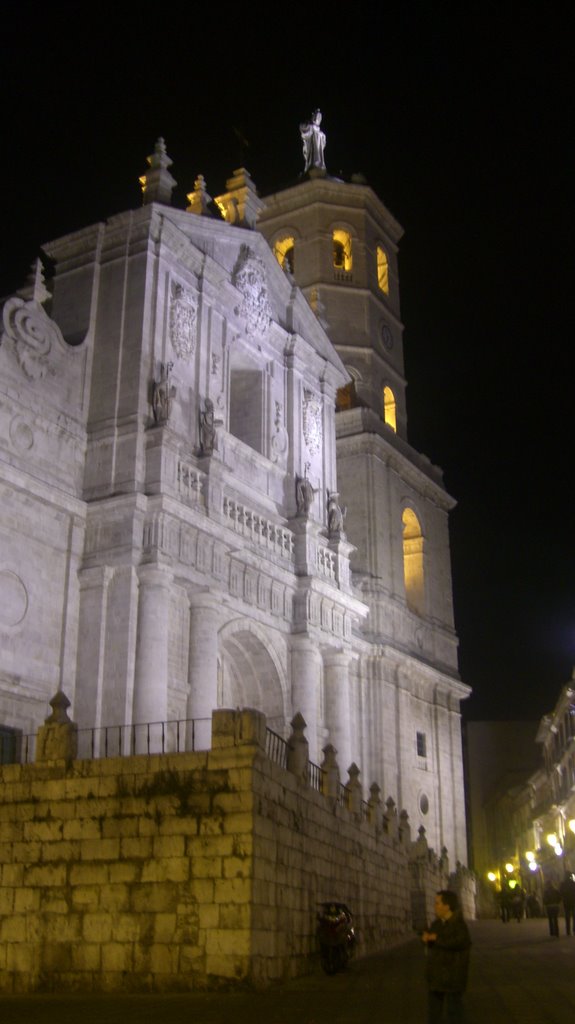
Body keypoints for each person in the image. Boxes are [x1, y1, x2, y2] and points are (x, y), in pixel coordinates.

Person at [422, 890, 471, 1023]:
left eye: (438, 903)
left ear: (447, 906)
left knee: (454, 1012)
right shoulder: (437, 923)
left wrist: (436, 938)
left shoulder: (459, 925)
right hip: (437, 975)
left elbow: (459, 942)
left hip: (452, 976)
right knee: (433, 1012)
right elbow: (430, 938)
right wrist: (425, 937)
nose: (435, 906)